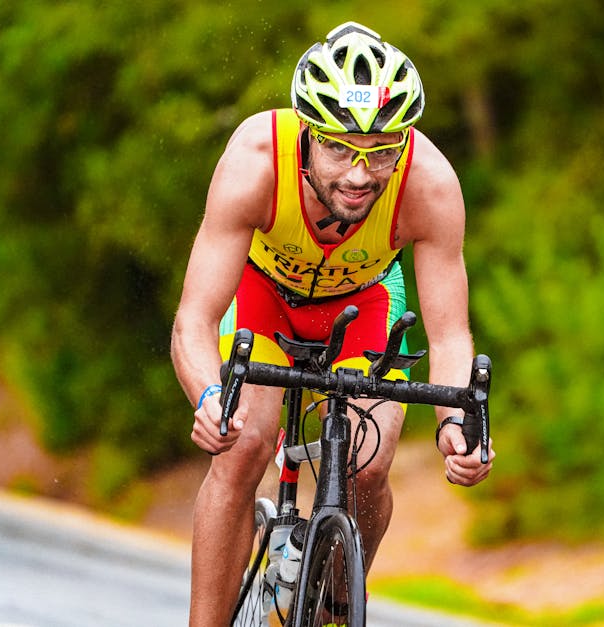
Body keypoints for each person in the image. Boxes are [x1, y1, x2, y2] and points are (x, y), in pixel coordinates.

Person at [171, 21, 495, 625]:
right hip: (263, 298)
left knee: (368, 465)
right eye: (340, 148)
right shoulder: (254, 160)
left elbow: (450, 335)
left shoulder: (429, 184)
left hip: (366, 306)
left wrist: (458, 427)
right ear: (306, 137)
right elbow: (193, 318)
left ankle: (334, 603)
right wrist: (209, 397)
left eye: (380, 152)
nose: (359, 174)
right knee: (244, 447)